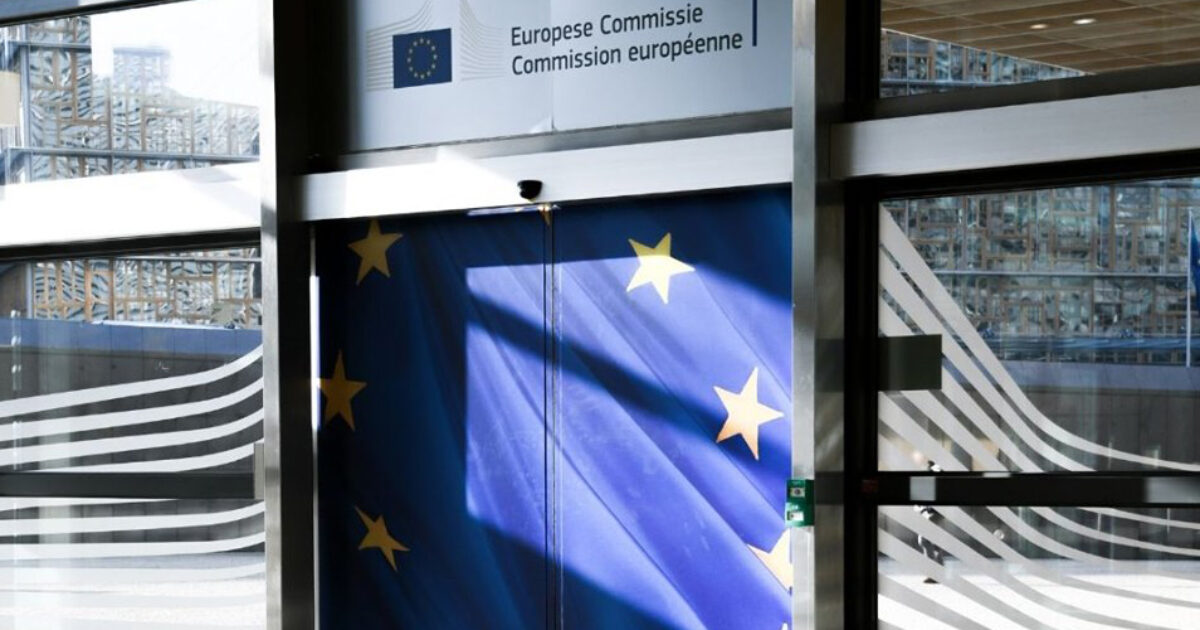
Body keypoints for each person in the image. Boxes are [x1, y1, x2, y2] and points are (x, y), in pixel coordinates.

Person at [914, 461, 944, 584]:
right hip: (932, 513)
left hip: (933, 514)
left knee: (924, 540)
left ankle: (933, 573)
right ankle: (939, 569)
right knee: (933, 542)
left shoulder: (934, 477)